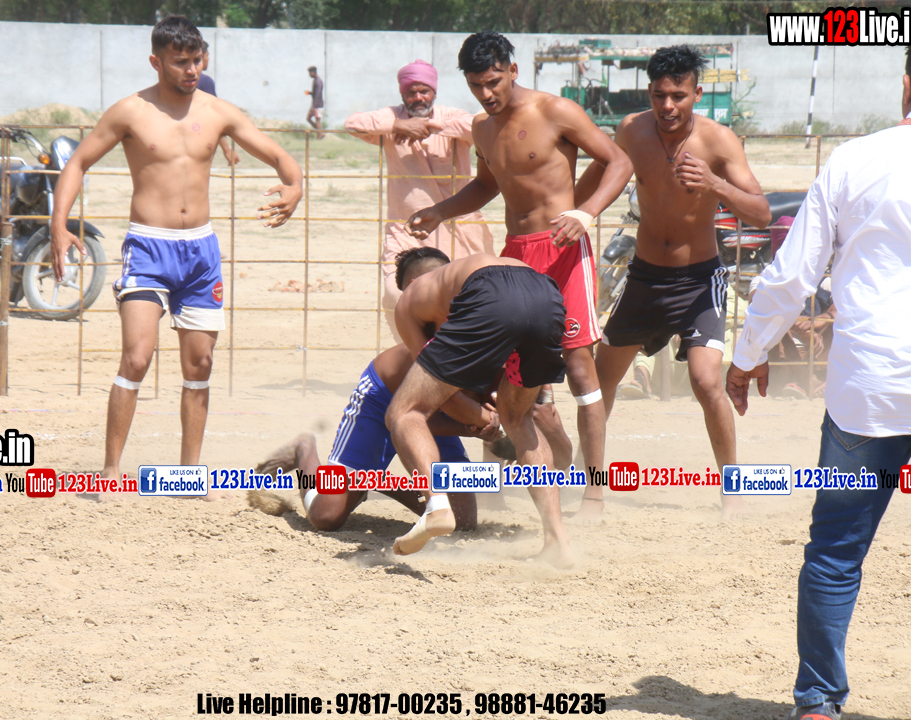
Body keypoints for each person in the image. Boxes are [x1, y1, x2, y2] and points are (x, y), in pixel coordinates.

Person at [726, 44, 911, 720]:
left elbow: (792, 274)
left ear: (907, 84)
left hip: (869, 383)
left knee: (836, 550)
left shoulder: (854, 159)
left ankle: (817, 702)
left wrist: (749, 352)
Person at [49, 16, 302, 484]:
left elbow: (279, 156)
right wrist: (58, 224)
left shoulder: (219, 111)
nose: (191, 70)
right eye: (181, 61)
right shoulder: (130, 111)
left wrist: (295, 185)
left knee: (200, 364)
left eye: (197, 60)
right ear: (157, 61)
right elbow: (79, 162)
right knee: (136, 357)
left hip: (200, 253)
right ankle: (110, 472)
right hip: (149, 248)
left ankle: (189, 475)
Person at [405, 31, 633, 524]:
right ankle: (498, 486)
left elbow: (619, 160)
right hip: (515, 256)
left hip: (565, 249)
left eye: (493, 81)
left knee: (580, 369)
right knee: (500, 370)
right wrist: (440, 211)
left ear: (512, 69)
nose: (486, 93)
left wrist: (587, 212)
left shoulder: (556, 111)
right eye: (475, 85)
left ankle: (594, 494)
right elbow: (487, 184)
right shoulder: (481, 128)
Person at [586, 45, 771, 522]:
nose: (667, 106)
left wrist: (716, 185)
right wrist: (569, 211)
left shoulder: (719, 141)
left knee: (706, 382)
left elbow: (762, 213)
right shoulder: (631, 130)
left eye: (678, 96)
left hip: (699, 280)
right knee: (598, 382)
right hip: (644, 277)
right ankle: (592, 494)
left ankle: (733, 493)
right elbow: (596, 176)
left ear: (697, 93)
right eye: (658, 95)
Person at [256, 248, 501, 533]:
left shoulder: (477, 322)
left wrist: (489, 414)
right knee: (326, 516)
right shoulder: (423, 339)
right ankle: (305, 450)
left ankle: (376, 481)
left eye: (448, 282)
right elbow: (411, 419)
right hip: (381, 402)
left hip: (432, 415)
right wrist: (474, 426)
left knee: (462, 522)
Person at [385, 253, 573, 567]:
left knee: (405, 412)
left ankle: (436, 507)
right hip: (546, 294)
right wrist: (495, 420)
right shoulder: (457, 275)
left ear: (411, 282)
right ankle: (558, 542)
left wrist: (483, 420)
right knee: (519, 420)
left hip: (489, 294)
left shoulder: (408, 300)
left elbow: (441, 398)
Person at [343, 59, 494, 340]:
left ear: (434, 92)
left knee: (472, 296)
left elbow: (479, 124)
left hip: (458, 226)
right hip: (407, 228)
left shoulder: (450, 115)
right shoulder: (391, 118)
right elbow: (352, 124)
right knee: (396, 294)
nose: (418, 97)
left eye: (424, 91)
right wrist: (399, 125)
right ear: (402, 94)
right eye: (411, 92)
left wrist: (429, 126)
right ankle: (415, 353)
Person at [196, 40, 238, 166]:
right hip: (201, 138)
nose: (208, 59)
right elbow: (214, 117)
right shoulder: (204, 81)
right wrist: (227, 149)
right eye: (207, 55)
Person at [306, 66, 325, 139]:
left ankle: (320, 135)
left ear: (314, 72)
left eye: (310, 73)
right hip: (315, 104)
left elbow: (318, 94)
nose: (309, 75)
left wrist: (314, 106)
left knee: (318, 120)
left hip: (317, 105)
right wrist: (310, 93)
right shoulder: (315, 80)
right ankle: (320, 133)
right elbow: (315, 93)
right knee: (308, 118)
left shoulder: (318, 81)